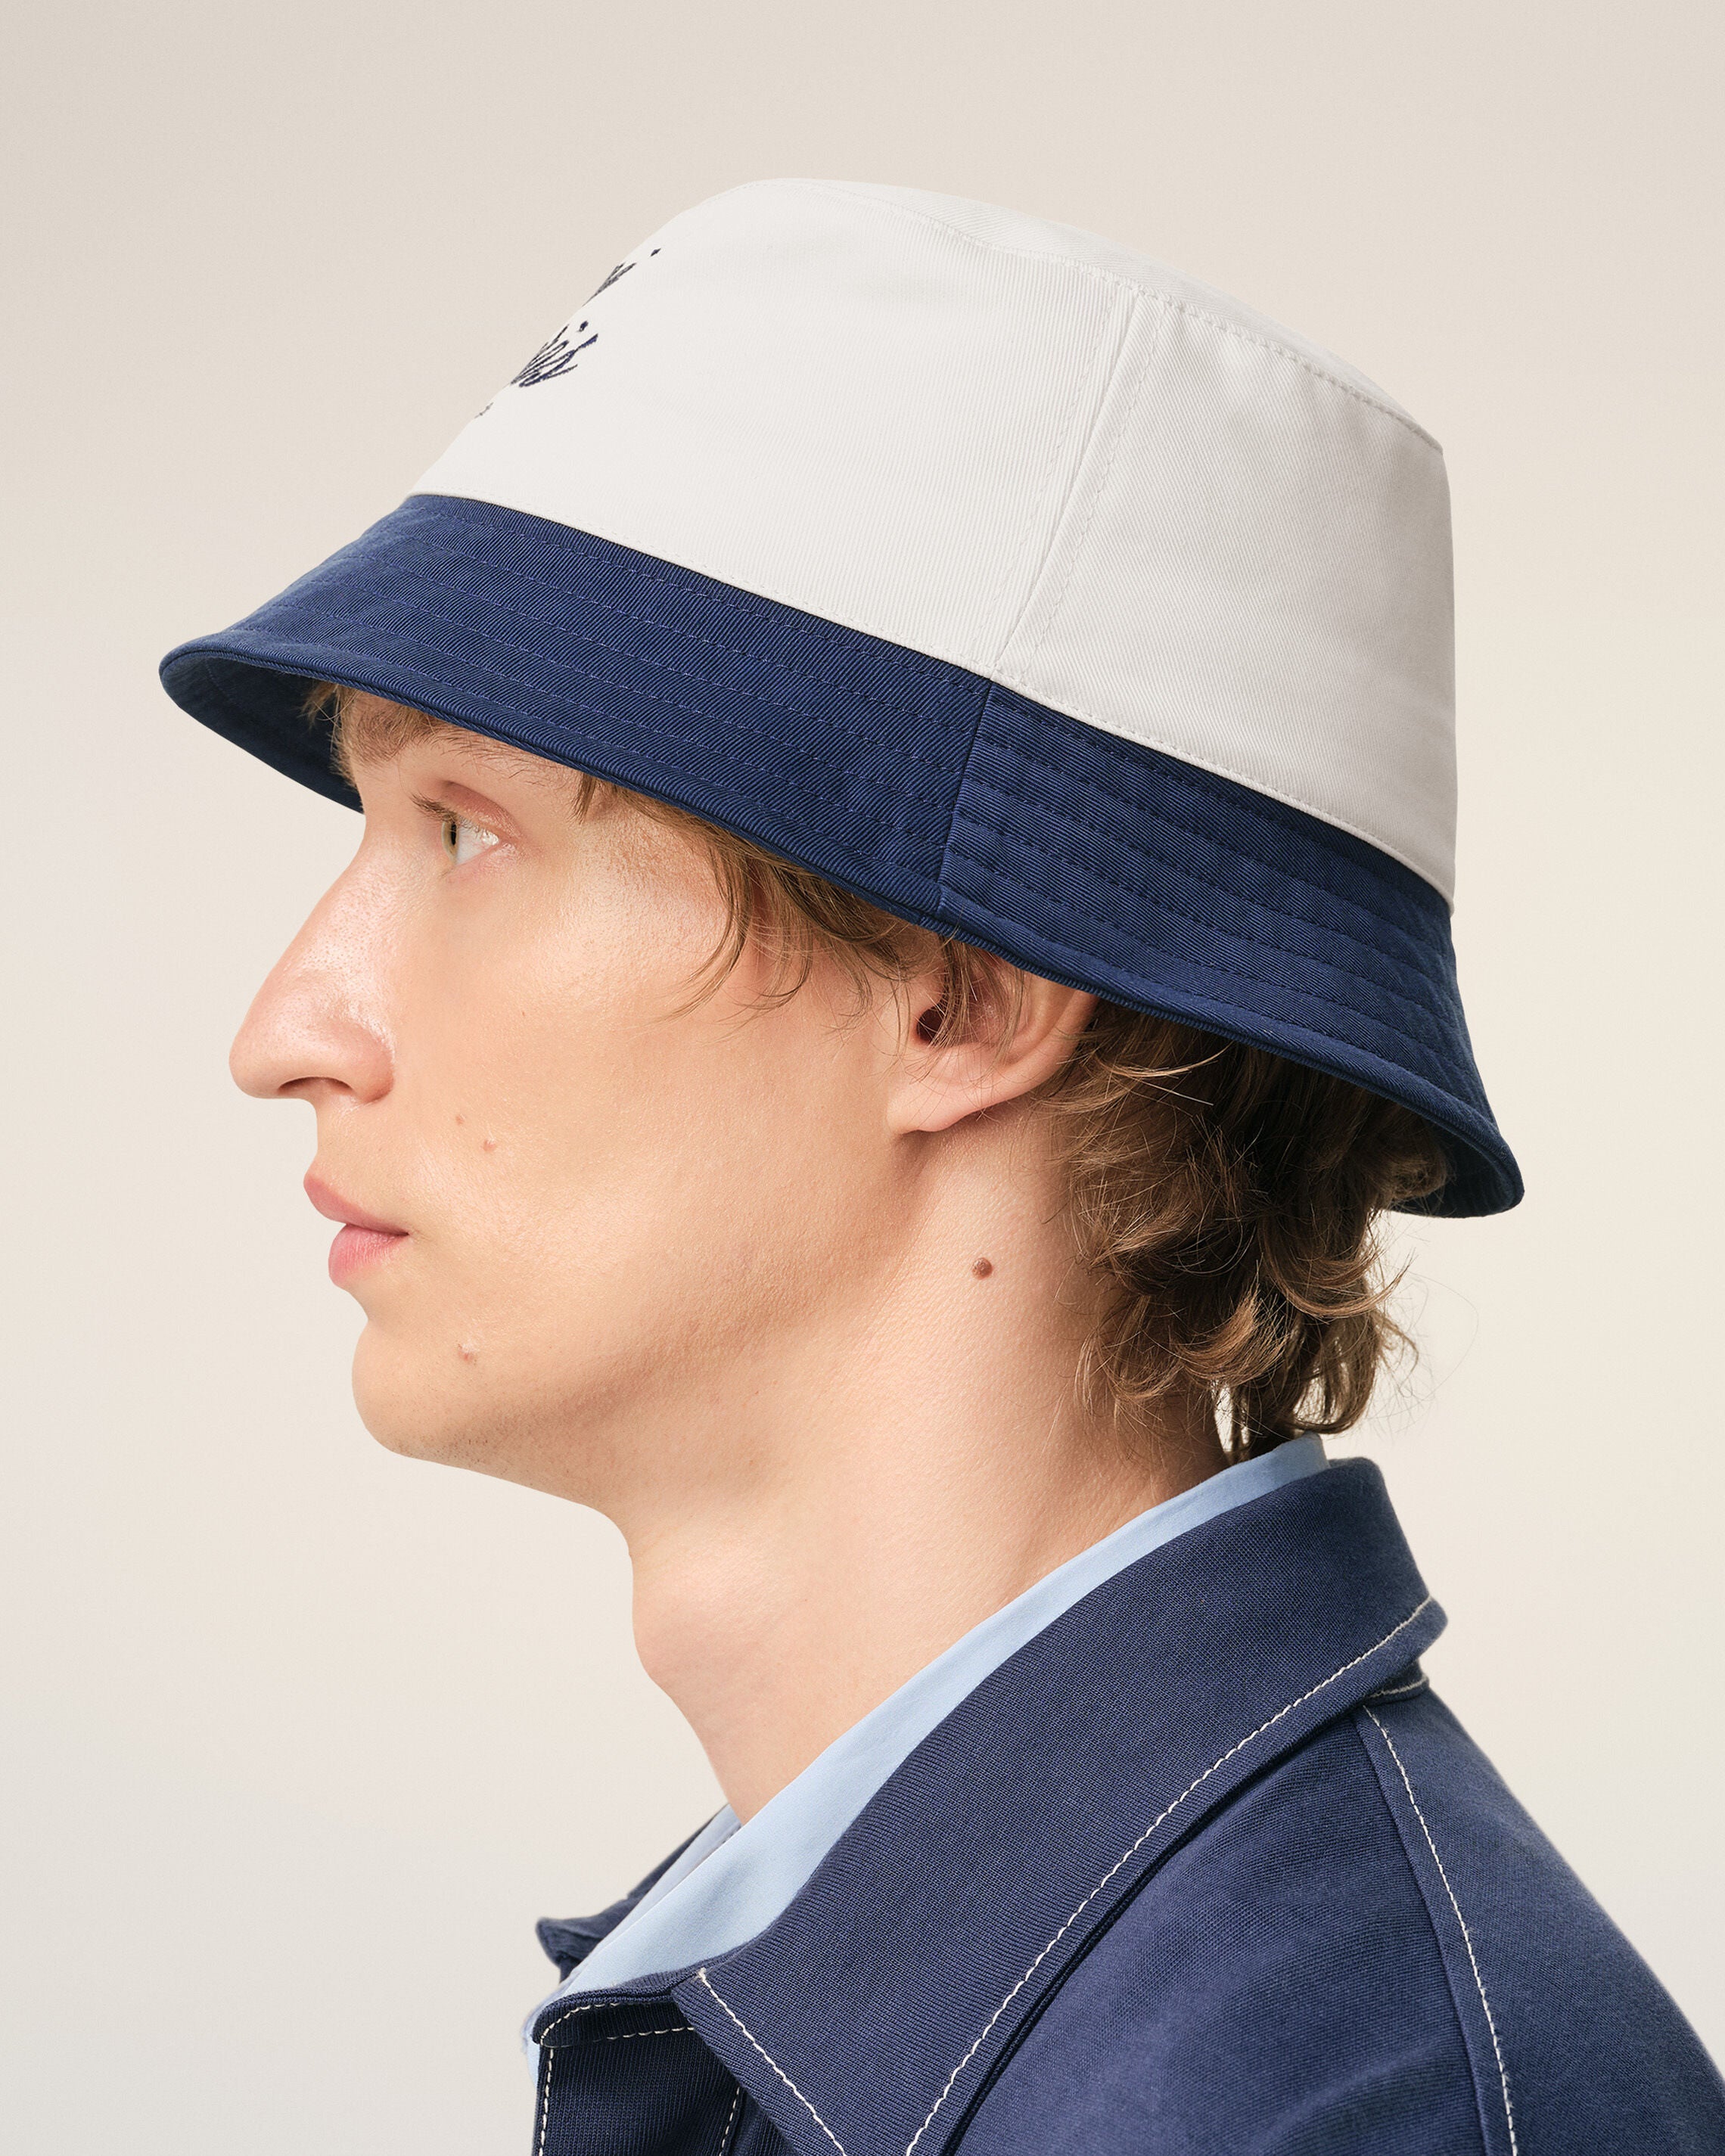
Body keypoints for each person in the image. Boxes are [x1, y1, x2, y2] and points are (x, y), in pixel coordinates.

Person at [160, 180, 1723, 2155]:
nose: (285, 1030)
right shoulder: (1004, 2008)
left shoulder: (1334, 2106)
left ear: (963, 998)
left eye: (467, 829)